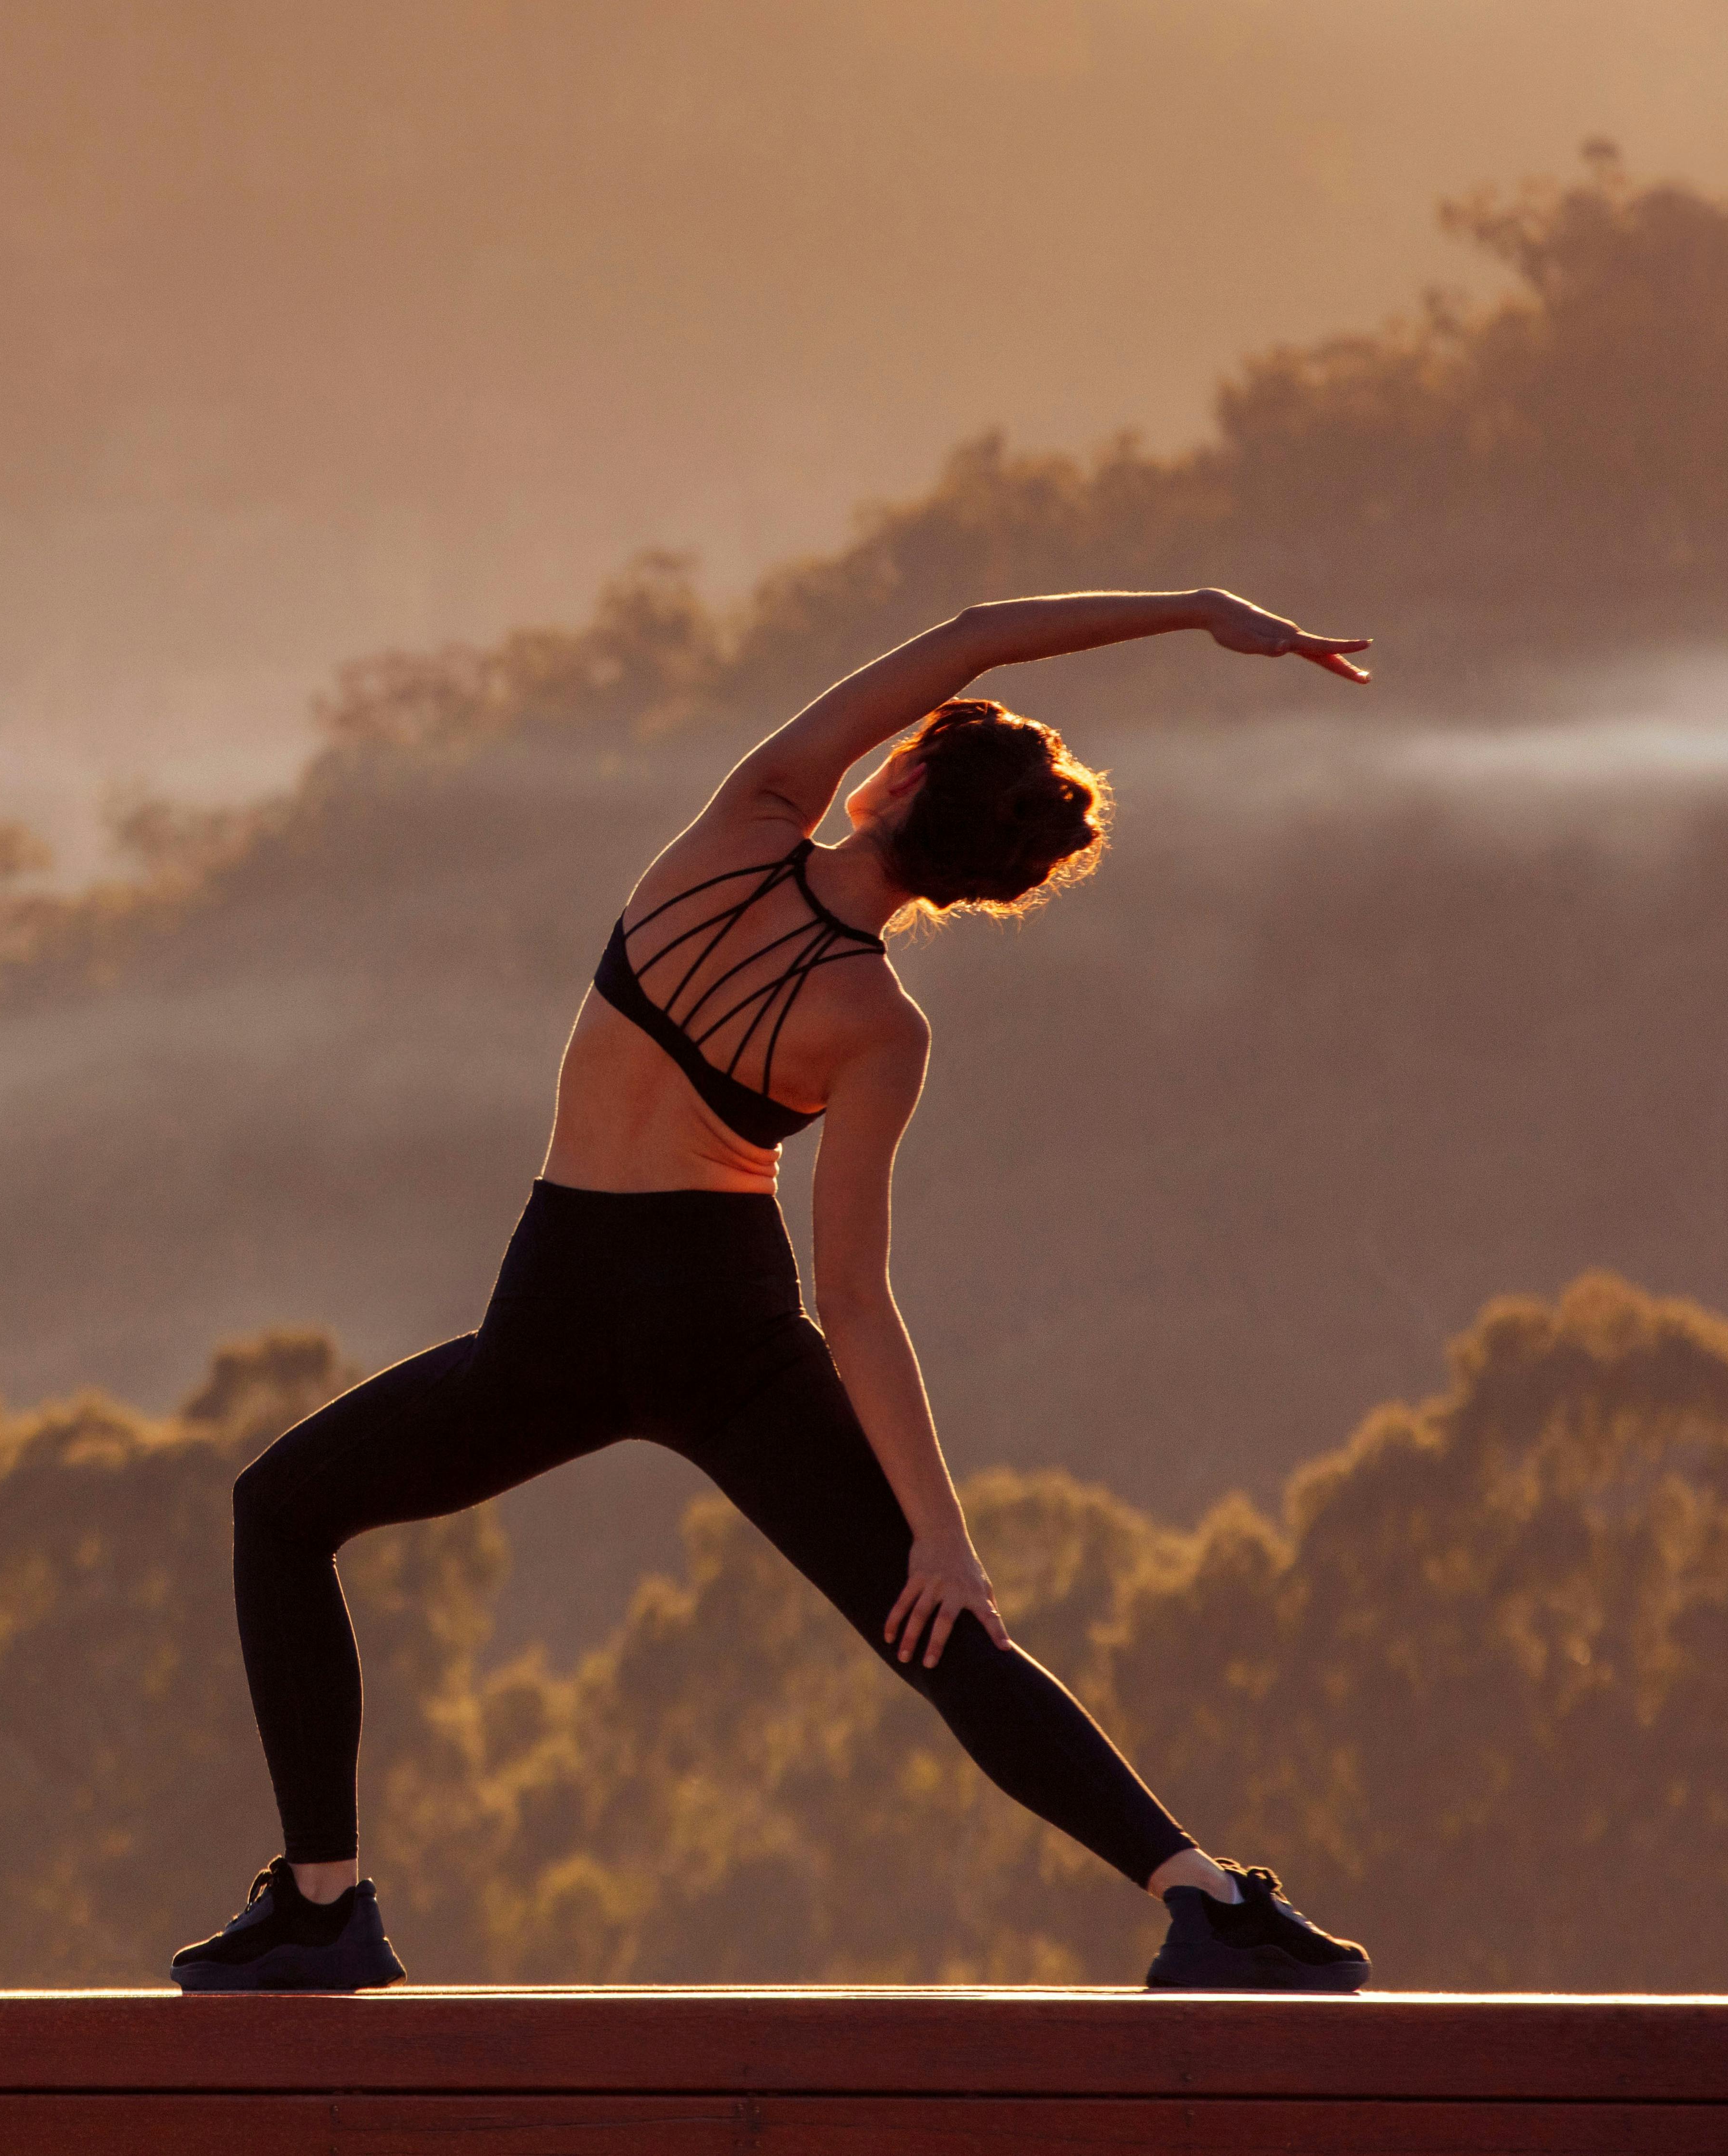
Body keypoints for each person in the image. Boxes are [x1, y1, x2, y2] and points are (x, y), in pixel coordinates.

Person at [171, 589, 1379, 1995]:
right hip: (717, 1321)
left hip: (556, 1310)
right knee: (938, 1627)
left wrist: (1195, 612)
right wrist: (944, 1540)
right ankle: (1210, 1903)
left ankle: (323, 1904)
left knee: (282, 1509)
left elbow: (974, 630)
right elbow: (855, 1300)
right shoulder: (879, 1025)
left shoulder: (746, 824)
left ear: (903, 779)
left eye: (917, 740)